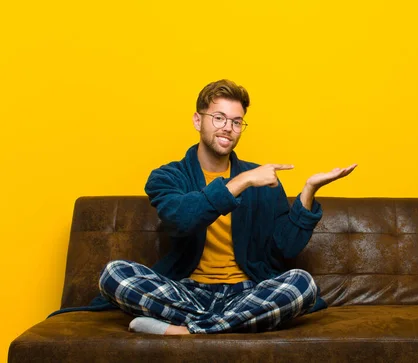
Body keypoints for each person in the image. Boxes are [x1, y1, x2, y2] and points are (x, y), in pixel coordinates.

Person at [97, 79, 357, 335]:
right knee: (114, 274)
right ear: (198, 120)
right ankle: (227, 324)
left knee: (302, 284)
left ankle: (185, 331)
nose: (228, 128)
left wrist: (309, 191)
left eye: (236, 122)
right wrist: (242, 181)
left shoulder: (263, 180)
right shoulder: (168, 176)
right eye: (219, 118)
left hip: (247, 293)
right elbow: (180, 220)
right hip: (186, 291)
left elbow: (285, 249)